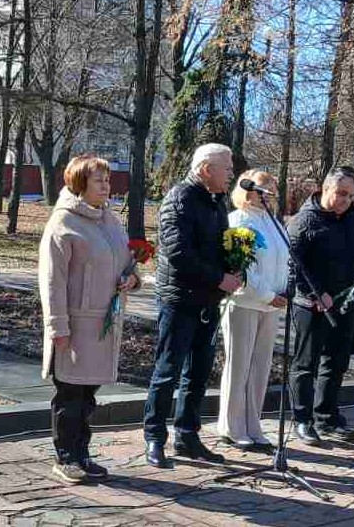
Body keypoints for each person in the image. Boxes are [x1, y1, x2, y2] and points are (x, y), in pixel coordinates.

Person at [39, 155, 140, 484]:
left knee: (87, 397)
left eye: (108, 181)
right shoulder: (63, 223)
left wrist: (132, 279)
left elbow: (126, 262)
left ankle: (82, 453)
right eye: (99, 181)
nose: (106, 187)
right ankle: (66, 457)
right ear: (79, 183)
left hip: (103, 324)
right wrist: (58, 327)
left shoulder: (111, 221)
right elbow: (52, 281)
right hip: (75, 324)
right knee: (70, 394)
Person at [143, 143, 242, 468]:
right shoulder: (179, 198)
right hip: (179, 300)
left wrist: (233, 266)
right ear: (205, 169)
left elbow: (216, 245)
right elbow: (178, 252)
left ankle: (187, 435)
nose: (231, 174)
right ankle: (155, 438)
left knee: (198, 373)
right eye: (226, 168)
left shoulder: (216, 201)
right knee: (168, 371)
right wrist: (218, 278)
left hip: (207, 301)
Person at [288, 166, 354, 445]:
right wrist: (316, 294)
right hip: (311, 305)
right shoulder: (304, 221)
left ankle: (327, 416)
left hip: (346, 303)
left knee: (336, 363)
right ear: (324, 189)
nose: (345, 200)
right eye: (340, 194)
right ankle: (302, 420)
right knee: (306, 365)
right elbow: (294, 266)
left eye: (350, 196)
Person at [217, 170, 288, 451]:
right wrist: (268, 295)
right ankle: (232, 427)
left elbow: (284, 261)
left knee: (260, 368)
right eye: (262, 187)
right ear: (247, 189)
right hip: (244, 303)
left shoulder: (274, 223)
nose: (267, 192)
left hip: (272, 307)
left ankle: (253, 423)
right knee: (239, 366)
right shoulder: (237, 220)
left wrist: (283, 291)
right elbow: (242, 269)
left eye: (272, 187)